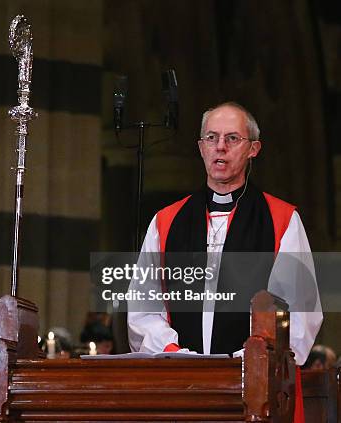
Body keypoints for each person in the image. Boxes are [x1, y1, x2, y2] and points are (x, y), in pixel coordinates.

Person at [127, 102, 322, 422]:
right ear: (200, 147)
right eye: (211, 137)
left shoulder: (282, 219)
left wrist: (251, 361)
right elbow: (144, 309)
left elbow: (300, 310)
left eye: (232, 138)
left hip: (256, 389)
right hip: (183, 388)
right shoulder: (166, 221)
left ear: (253, 149)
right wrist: (175, 355)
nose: (220, 147)